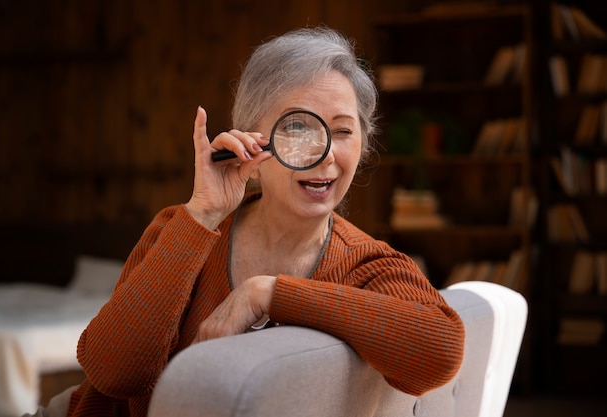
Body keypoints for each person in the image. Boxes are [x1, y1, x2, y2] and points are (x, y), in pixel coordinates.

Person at [62, 26, 464, 417]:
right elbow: (111, 374)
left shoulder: (367, 265)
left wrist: (270, 294)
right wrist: (203, 213)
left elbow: (441, 350)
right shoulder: (180, 227)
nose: (324, 155)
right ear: (252, 145)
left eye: (342, 130)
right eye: (296, 127)